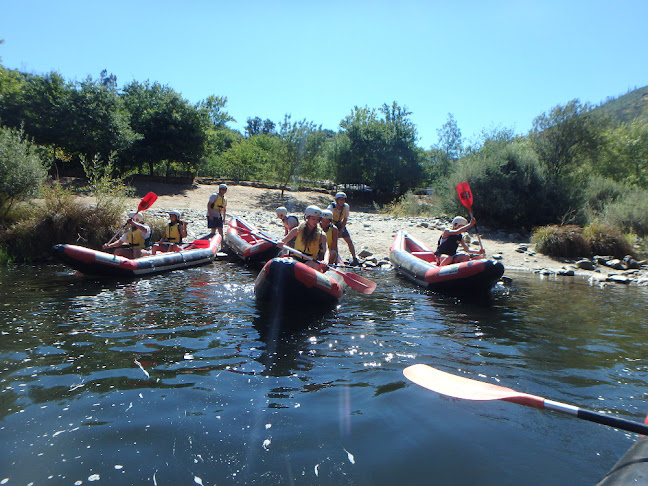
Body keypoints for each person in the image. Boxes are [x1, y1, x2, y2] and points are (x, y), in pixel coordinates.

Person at [278, 205, 327, 271]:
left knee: (313, 265)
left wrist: (325, 260)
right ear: (307, 218)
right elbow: (284, 240)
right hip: (296, 258)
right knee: (286, 262)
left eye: (317, 219)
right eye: (313, 219)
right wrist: (280, 242)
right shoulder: (297, 230)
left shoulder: (321, 235)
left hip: (310, 261)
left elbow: (326, 250)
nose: (315, 222)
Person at [327, 192, 359, 266]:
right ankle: (336, 259)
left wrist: (342, 229)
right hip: (331, 223)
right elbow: (327, 219)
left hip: (339, 223)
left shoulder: (346, 207)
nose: (342, 201)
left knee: (349, 240)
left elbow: (345, 219)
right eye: (340, 200)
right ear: (337, 200)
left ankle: (354, 258)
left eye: (343, 200)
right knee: (334, 241)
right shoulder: (331, 208)